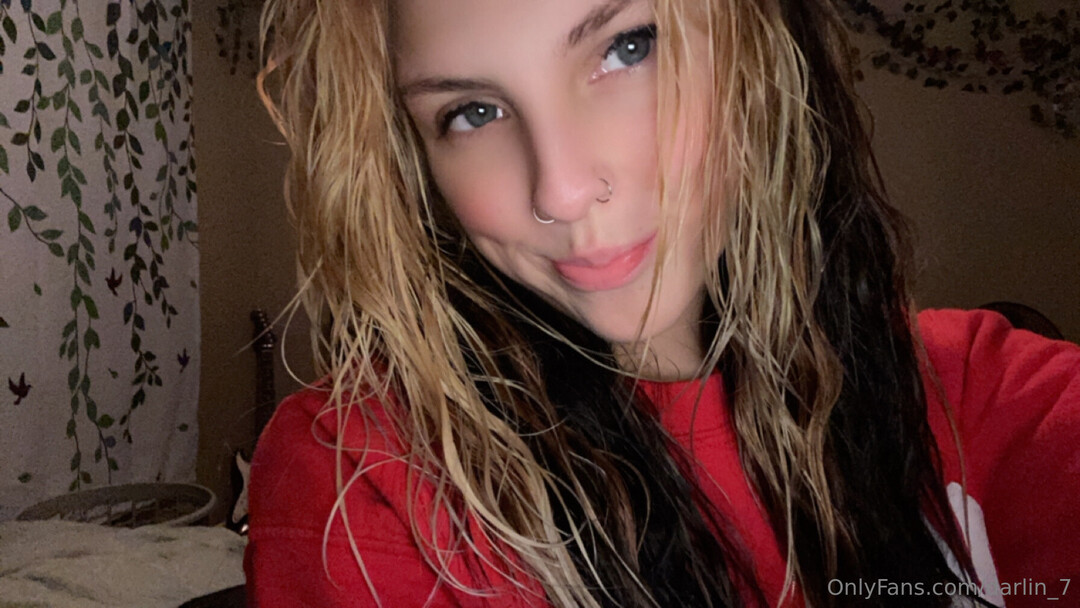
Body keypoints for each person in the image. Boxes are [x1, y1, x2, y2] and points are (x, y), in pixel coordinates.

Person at [244, 0, 1080, 606]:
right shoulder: (369, 485)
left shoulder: (975, 397)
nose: (563, 189)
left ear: (755, 44)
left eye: (627, 47)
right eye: (473, 112)